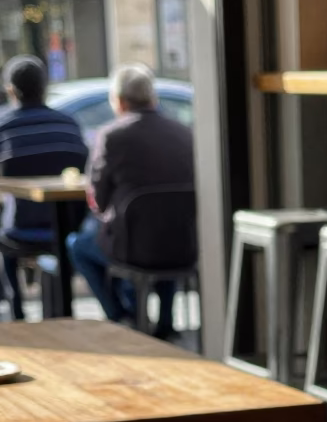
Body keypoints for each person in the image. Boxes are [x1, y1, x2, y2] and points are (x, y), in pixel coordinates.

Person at [67, 63, 195, 339]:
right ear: (153, 98)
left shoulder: (112, 136)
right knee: (164, 227)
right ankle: (164, 321)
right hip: (186, 245)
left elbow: (98, 202)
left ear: (119, 101)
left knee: (77, 245)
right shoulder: (184, 132)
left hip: (134, 249)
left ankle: (119, 316)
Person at [0, 55, 88, 320]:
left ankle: (17, 311)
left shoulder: (4, 128)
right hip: (69, 225)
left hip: (20, 227)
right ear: (45, 87)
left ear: (11, 90)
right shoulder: (68, 125)